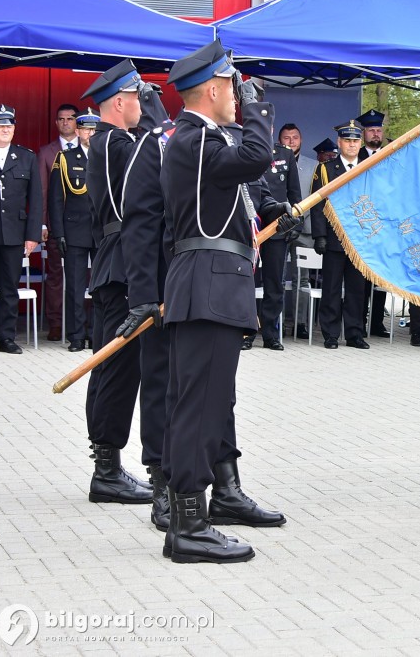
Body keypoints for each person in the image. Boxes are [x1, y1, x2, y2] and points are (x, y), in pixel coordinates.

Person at [160, 40, 295, 563]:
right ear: (215, 88)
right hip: (207, 286)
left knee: (208, 402)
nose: (239, 99)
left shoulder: (203, 141)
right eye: (234, 88)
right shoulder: (195, 139)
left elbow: (236, 203)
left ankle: (198, 511)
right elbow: (258, 155)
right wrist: (258, 107)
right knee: (199, 406)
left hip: (214, 283)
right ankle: (188, 526)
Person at [80, 60, 153, 505]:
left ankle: (106, 464)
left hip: (119, 262)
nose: (145, 106)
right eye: (140, 97)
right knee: (118, 367)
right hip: (123, 262)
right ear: (121, 101)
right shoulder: (114, 142)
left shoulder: (114, 141)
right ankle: (106, 470)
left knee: (112, 364)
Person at [117, 83, 174, 531]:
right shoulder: (152, 149)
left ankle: (221, 483)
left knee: (210, 391)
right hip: (160, 293)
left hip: (202, 290)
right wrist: (142, 297)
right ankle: (161, 485)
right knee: (158, 385)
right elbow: (138, 228)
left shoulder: (208, 144)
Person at [0, 105, 43, 355]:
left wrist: (32, 236)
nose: (6, 129)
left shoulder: (25, 156)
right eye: (0, 125)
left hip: (14, 233)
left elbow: (36, 199)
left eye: (10, 125)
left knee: (10, 287)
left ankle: (7, 338)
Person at [310, 120, 371, 350]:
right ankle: (331, 334)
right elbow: (317, 204)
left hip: (359, 240)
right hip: (334, 237)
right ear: (339, 142)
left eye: (356, 140)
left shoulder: (369, 166)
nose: (352, 145)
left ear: (360, 142)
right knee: (332, 289)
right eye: (348, 140)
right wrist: (319, 236)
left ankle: (355, 334)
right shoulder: (325, 169)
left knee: (357, 290)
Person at [47, 108, 99, 352]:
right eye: (86, 128)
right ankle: (77, 335)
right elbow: (56, 200)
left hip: (102, 232)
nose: (90, 133)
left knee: (101, 288)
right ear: (77, 131)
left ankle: (97, 333)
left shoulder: (108, 156)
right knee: (76, 287)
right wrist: (59, 234)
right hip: (75, 230)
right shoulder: (65, 158)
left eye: (94, 128)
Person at [247, 137, 301, 351]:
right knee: (246, 282)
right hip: (251, 227)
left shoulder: (284, 153)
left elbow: (294, 192)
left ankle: (270, 334)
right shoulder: (244, 149)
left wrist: (295, 225)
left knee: (274, 283)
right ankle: (246, 332)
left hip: (277, 228)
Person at [38, 103, 80, 342]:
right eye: (61, 119)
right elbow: (42, 193)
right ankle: (55, 323)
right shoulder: (46, 152)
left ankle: (81, 322)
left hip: (84, 226)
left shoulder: (89, 148)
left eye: (70, 118)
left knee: (85, 276)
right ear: (56, 123)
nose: (66, 122)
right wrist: (43, 225)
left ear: (77, 122)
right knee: (55, 276)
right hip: (57, 226)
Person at [279, 123, 317, 339]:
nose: (291, 141)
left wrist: (301, 222)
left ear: (301, 140)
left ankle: (300, 324)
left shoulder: (313, 167)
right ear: (280, 140)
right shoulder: (272, 162)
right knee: (278, 279)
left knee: (302, 280)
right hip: (279, 228)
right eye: (287, 138)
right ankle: (279, 322)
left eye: (295, 137)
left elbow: (316, 199)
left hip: (304, 230)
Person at [356, 109, 389, 337]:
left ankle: (377, 322)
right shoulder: (355, 156)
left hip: (383, 225)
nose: (376, 134)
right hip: (360, 223)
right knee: (359, 280)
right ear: (363, 133)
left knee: (379, 278)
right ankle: (358, 321)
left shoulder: (390, 154)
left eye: (378, 130)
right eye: (371, 131)